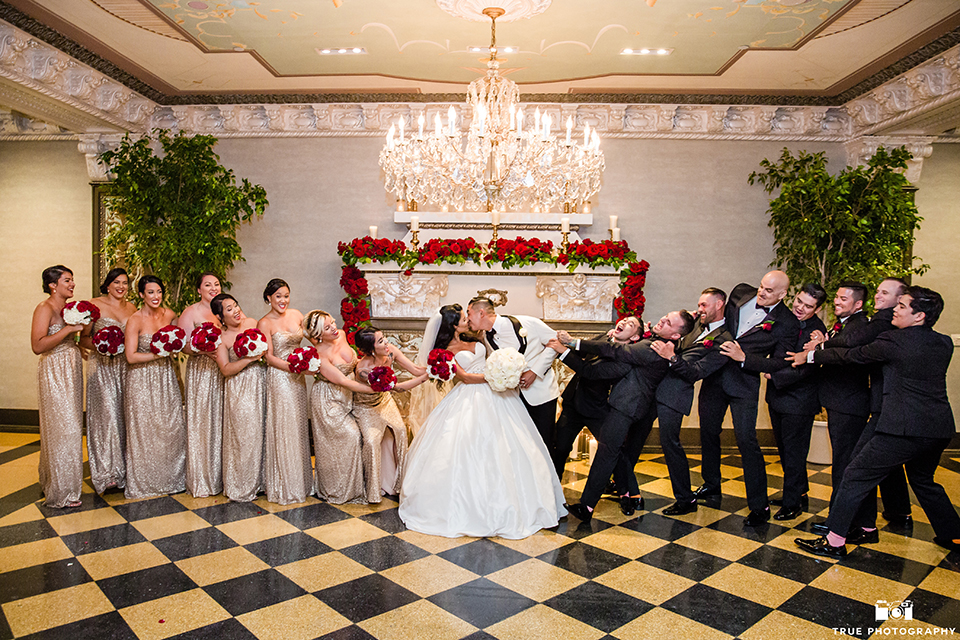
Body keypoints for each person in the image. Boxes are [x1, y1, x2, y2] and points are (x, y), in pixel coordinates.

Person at [792, 287, 960, 557]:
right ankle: (954, 535)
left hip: (901, 428)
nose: (895, 308)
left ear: (919, 316)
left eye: (902, 306)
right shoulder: (944, 342)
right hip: (938, 428)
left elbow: (851, 356)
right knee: (924, 481)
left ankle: (834, 541)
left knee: (855, 474)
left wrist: (809, 355)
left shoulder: (894, 341)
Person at [399, 305, 567, 538]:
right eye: (461, 318)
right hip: (472, 394)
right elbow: (466, 378)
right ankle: (472, 507)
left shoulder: (478, 336)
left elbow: (495, 358)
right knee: (471, 448)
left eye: (467, 315)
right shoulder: (445, 350)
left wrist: (503, 372)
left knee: (515, 447)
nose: (466, 319)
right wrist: (498, 377)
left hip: (499, 396)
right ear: (452, 324)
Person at [559, 310, 696, 522]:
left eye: (669, 322)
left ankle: (590, 506)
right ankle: (612, 499)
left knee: (608, 454)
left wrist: (574, 342)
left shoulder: (654, 348)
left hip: (627, 406)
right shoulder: (660, 344)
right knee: (610, 453)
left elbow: (612, 349)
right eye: (665, 316)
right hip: (627, 406)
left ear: (676, 336)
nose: (663, 320)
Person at [701, 270, 801, 526]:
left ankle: (759, 505)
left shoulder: (788, 322)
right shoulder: (740, 292)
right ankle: (711, 484)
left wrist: (744, 358)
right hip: (714, 377)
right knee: (708, 432)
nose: (761, 293)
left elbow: (780, 361)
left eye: (769, 291)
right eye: (761, 287)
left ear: (783, 294)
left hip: (744, 384)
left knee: (747, 441)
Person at [304, 309, 412, 504]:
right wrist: (383, 388)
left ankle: (366, 484)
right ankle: (339, 489)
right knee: (350, 437)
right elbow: (345, 382)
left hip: (350, 398)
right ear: (318, 335)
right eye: (327, 328)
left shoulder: (342, 335)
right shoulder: (319, 355)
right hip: (330, 399)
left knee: (359, 438)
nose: (335, 329)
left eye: (333, 323)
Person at [644, 289, 733, 516]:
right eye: (699, 305)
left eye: (704, 305)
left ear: (720, 304)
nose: (700, 309)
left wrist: (671, 358)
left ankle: (685, 499)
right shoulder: (699, 327)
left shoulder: (724, 340)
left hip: (676, 395)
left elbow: (696, 372)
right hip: (660, 389)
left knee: (670, 444)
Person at [761, 283, 827, 521]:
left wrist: (773, 374)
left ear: (817, 309)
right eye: (798, 301)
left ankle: (792, 503)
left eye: (808, 306)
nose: (800, 308)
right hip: (778, 397)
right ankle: (799, 490)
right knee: (784, 448)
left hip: (799, 400)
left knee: (794, 452)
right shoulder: (786, 319)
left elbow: (809, 367)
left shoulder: (816, 332)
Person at [549, 316, 642, 481]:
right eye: (625, 319)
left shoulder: (625, 360)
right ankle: (553, 488)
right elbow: (583, 351)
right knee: (559, 448)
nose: (623, 322)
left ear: (634, 337)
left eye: (631, 324)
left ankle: (629, 491)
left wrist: (563, 352)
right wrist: (566, 343)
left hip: (595, 410)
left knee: (612, 451)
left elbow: (590, 372)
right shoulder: (604, 338)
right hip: (572, 404)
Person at [123, 275, 187, 499]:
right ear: (141, 295)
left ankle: (172, 479)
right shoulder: (135, 320)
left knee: (169, 426)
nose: (156, 296)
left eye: (159, 292)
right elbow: (130, 356)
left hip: (166, 375)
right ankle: (145, 482)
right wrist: (157, 354)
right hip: (141, 377)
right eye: (150, 292)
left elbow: (180, 343)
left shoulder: (170, 315)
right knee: (145, 428)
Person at [466, 296, 559, 448]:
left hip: (541, 393)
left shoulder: (528, 322)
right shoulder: (485, 337)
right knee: (521, 445)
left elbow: (555, 343)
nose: (468, 319)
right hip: (511, 398)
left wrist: (534, 372)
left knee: (545, 443)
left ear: (481, 313)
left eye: (469, 313)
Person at [810, 282, 871, 510]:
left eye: (843, 299)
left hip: (849, 404)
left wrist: (818, 348)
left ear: (858, 304)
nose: (836, 301)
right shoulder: (843, 325)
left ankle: (841, 522)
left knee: (845, 463)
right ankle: (839, 518)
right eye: (836, 297)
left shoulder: (859, 327)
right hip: (838, 403)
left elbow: (842, 354)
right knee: (841, 462)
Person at [31, 265, 84, 508]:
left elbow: (73, 339)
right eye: (67, 280)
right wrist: (68, 330)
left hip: (71, 369)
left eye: (72, 280)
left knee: (73, 426)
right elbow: (38, 346)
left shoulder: (68, 309)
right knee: (62, 428)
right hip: (54, 370)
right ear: (53, 285)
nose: (72, 284)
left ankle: (69, 486)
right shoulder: (45, 308)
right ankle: (60, 491)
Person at [79, 267, 136, 494]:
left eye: (125, 283)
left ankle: (125, 470)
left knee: (124, 416)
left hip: (125, 367)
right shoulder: (94, 305)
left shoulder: (132, 308)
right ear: (108, 284)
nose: (121, 287)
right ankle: (106, 473)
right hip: (102, 366)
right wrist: (103, 346)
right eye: (117, 282)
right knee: (106, 416)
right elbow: (83, 339)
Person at [354, 326, 427, 500]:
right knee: (372, 441)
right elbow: (397, 388)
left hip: (384, 400)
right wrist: (424, 379)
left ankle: (400, 483)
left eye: (384, 337)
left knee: (401, 431)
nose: (386, 342)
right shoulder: (363, 371)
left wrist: (437, 368)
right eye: (381, 341)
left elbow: (416, 370)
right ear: (371, 350)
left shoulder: (391, 351)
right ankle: (373, 487)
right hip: (366, 407)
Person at [258, 278, 312, 505]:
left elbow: (313, 337)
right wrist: (292, 366)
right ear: (268, 298)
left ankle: (301, 481)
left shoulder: (297, 314)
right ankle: (283, 483)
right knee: (284, 425)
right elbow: (268, 357)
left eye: (286, 295)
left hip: (298, 378)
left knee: (298, 424)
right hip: (280, 377)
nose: (283, 300)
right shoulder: (264, 323)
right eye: (278, 296)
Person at [212, 293, 265, 503]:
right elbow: (225, 369)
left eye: (235, 306)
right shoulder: (221, 339)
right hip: (239, 387)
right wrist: (248, 359)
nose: (235, 311)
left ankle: (262, 482)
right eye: (228, 309)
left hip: (260, 382)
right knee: (244, 435)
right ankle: (242, 483)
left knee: (262, 431)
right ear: (220, 316)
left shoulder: (252, 323)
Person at [177, 273, 225, 498]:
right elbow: (183, 346)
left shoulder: (225, 307)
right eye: (208, 285)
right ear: (199, 289)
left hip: (223, 370)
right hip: (202, 371)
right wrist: (203, 349)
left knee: (223, 419)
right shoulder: (191, 312)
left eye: (216, 284)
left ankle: (225, 476)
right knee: (203, 421)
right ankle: (203, 478)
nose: (213, 288)